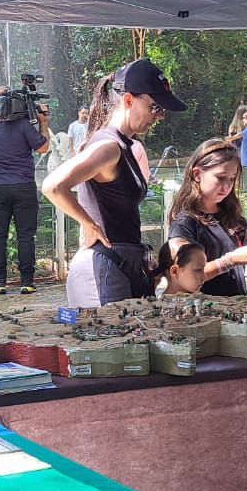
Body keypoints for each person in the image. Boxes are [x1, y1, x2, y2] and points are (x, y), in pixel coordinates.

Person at [44, 59, 186, 307]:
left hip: (120, 263)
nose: (160, 116)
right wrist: (88, 224)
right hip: (104, 264)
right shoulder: (108, 146)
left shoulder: (126, 145)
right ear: (129, 100)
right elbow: (53, 186)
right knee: (112, 343)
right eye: (155, 107)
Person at [166, 139, 247, 296]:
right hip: (203, 312)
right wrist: (229, 261)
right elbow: (184, 276)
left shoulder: (232, 216)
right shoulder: (185, 223)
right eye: (221, 177)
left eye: (232, 178)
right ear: (197, 174)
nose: (227, 185)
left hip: (236, 307)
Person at [0, 86, 51, 294]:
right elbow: (43, 148)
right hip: (24, 187)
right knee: (26, 236)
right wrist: (43, 122)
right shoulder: (23, 126)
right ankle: (27, 282)